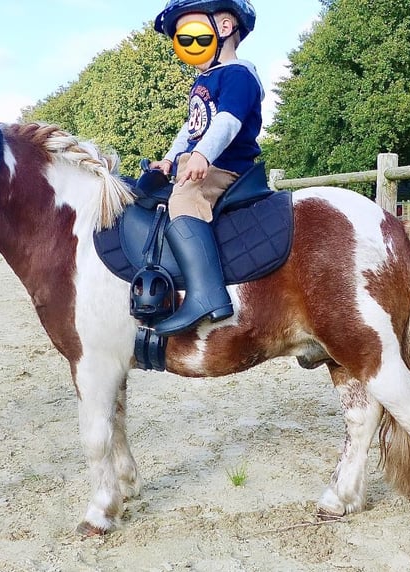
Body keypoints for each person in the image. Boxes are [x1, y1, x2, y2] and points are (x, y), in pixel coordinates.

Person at [150, 0, 264, 336]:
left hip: (224, 166)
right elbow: (191, 128)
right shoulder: (205, 80)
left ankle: (206, 295)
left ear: (224, 28)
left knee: (184, 200)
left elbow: (227, 122)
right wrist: (170, 159)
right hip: (198, 161)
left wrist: (202, 156)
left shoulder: (239, 74)